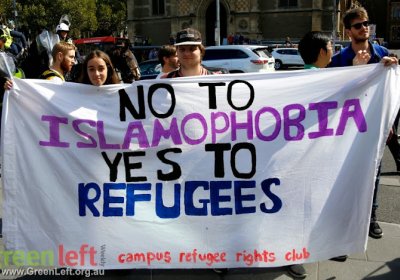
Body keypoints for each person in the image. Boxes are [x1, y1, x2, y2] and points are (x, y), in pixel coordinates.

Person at [328, 4, 398, 241]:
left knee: (374, 172)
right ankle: (346, 217)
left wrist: (390, 123)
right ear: (348, 31)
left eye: (366, 24)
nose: (364, 29)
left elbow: (391, 93)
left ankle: (371, 217)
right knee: (347, 171)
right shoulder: (339, 60)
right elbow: (335, 96)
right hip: (350, 127)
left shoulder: (383, 54)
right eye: (358, 26)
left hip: (377, 124)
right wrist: (354, 69)